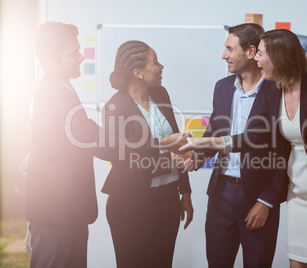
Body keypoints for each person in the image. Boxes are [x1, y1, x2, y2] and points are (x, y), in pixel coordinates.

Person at [181, 29, 307, 268]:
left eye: (261, 53)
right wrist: (199, 148)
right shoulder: (262, 89)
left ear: (276, 56)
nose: (256, 59)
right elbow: (251, 136)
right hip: (293, 194)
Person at [178, 23, 288, 267]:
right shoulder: (223, 87)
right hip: (221, 194)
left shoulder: (277, 89)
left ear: (250, 52)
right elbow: (215, 129)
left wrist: (267, 201)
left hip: (258, 197)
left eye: (229, 49)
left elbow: (282, 150)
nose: (223, 55)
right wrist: (196, 158)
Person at [26, 21, 111, 267]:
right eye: (73, 52)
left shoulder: (61, 87)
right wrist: (152, 145)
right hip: (56, 213)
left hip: (66, 209)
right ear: (50, 59)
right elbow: (90, 136)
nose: (81, 57)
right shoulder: (53, 94)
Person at [101, 40, 193, 268]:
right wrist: (167, 151)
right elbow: (125, 162)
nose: (161, 67)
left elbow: (177, 145)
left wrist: (186, 192)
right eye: (155, 62)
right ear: (137, 72)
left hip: (168, 201)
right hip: (130, 205)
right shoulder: (115, 107)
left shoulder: (161, 94)